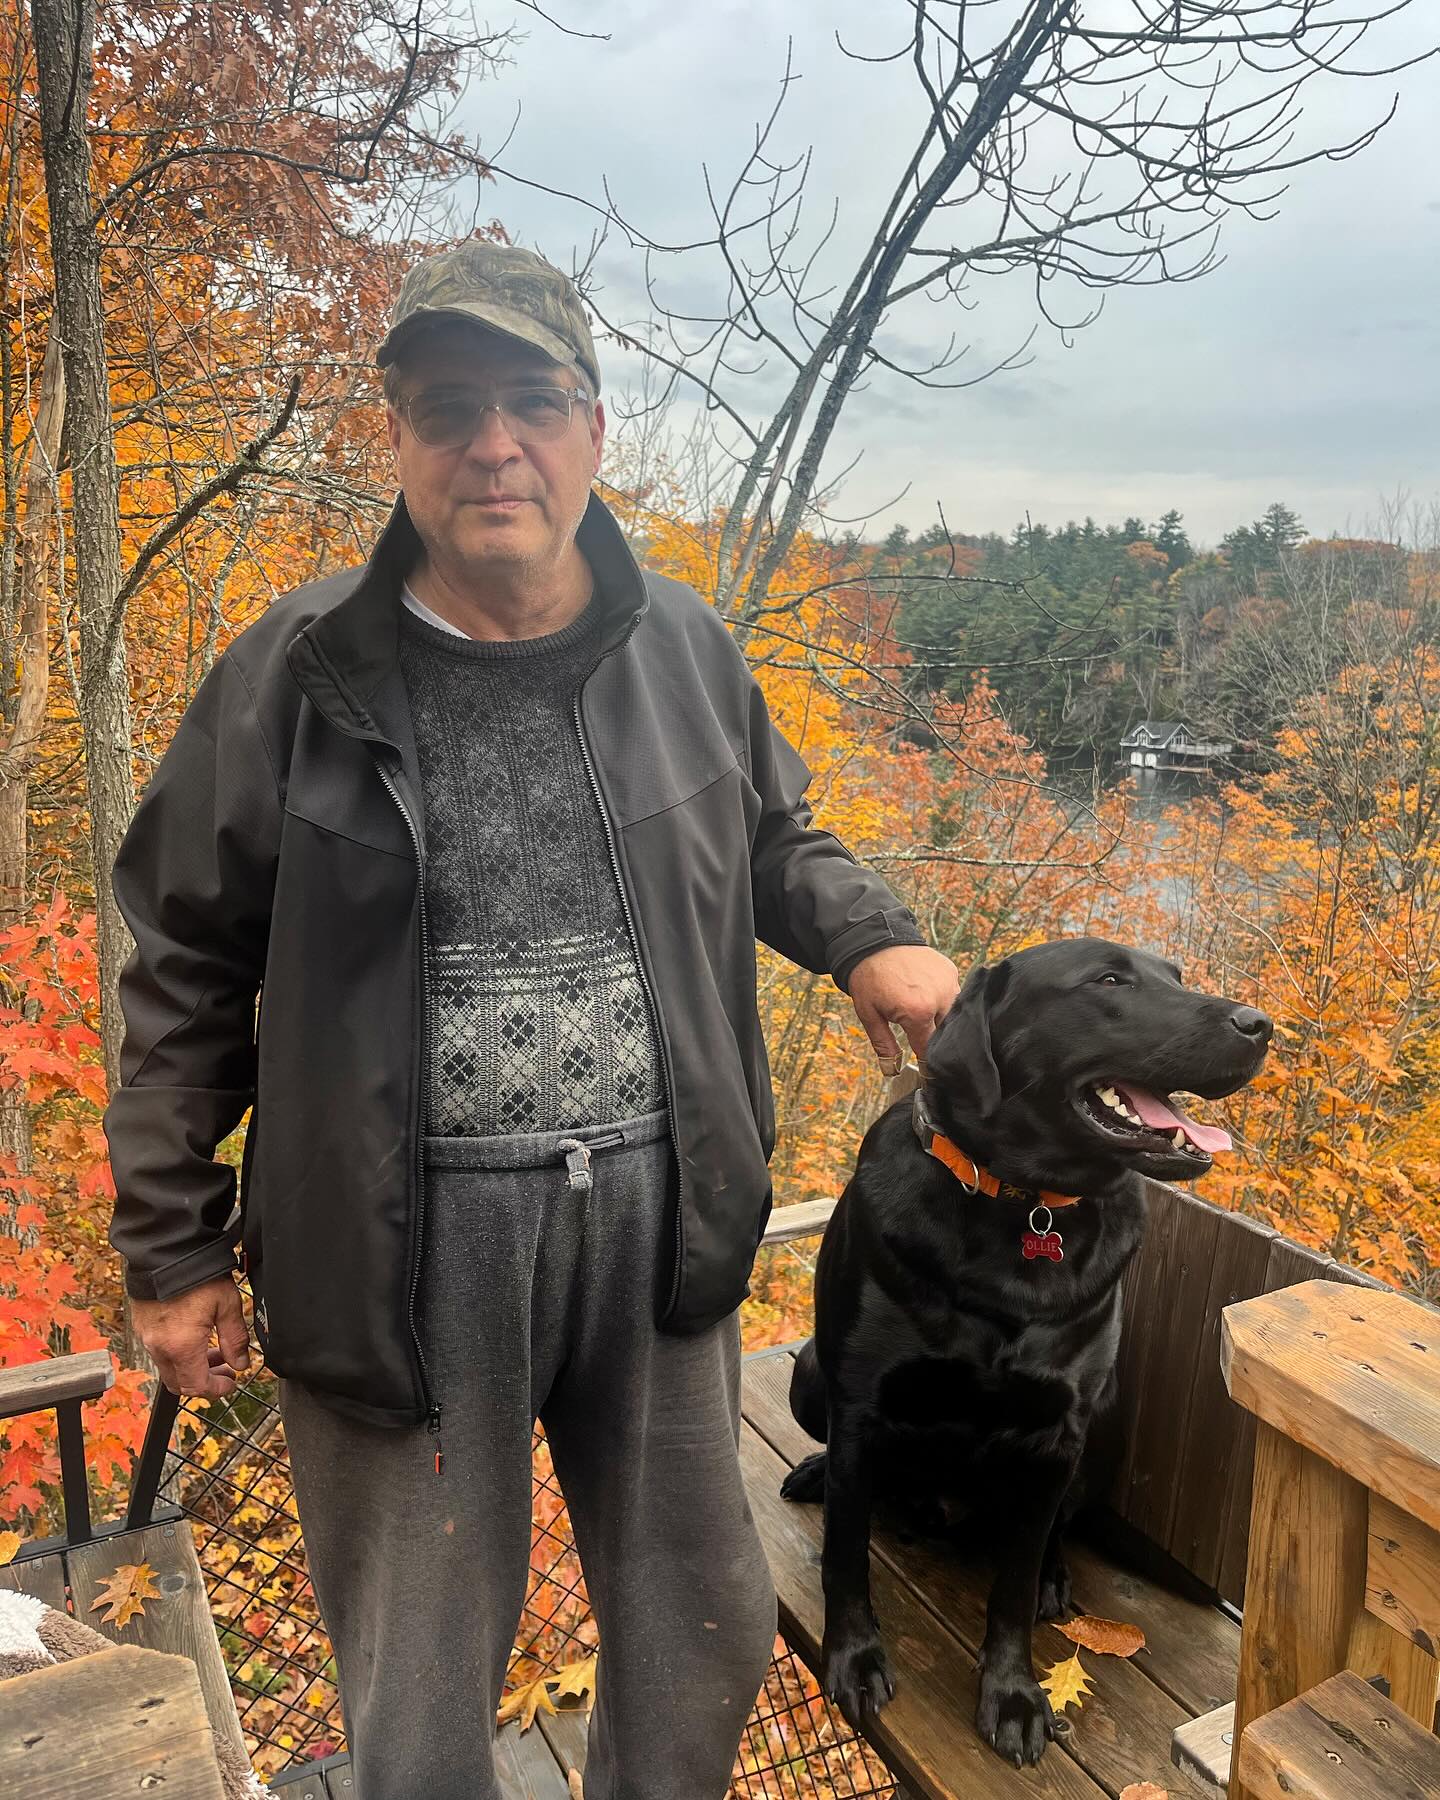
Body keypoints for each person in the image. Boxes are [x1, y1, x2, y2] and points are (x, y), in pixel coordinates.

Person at [103, 241, 960, 1800]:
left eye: (530, 401)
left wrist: (872, 943)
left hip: (661, 1219)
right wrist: (169, 1245)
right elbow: (180, 959)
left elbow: (773, 837)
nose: (491, 443)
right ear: (398, 441)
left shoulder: (686, 650)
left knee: (702, 1621)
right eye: (448, 410)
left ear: (593, 427)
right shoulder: (293, 675)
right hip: (401, 1249)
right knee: (420, 1685)